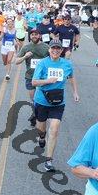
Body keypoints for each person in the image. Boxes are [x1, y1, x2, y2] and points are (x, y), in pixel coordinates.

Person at [31, 39, 80, 172]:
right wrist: (48, 81)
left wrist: (75, 92)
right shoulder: (42, 63)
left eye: (58, 48)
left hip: (58, 102)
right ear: (49, 50)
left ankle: (48, 160)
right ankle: (42, 137)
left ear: (62, 50)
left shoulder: (67, 64)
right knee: (41, 129)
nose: (55, 50)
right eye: (53, 48)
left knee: (54, 129)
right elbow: (34, 82)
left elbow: (71, 77)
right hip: (42, 101)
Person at [15, 29, 50, 126]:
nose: (34, 36)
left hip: (42, 78)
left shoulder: (46, 47)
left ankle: (37, 115)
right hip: (30, 77)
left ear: (40, 36)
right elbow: (16, 61)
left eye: (36, 34)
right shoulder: (26, 47)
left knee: (41, 99)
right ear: (30, 36)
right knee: (34, 99)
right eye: (32, 35)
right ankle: (36, 114)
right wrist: (25, 57)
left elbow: (53, 59)